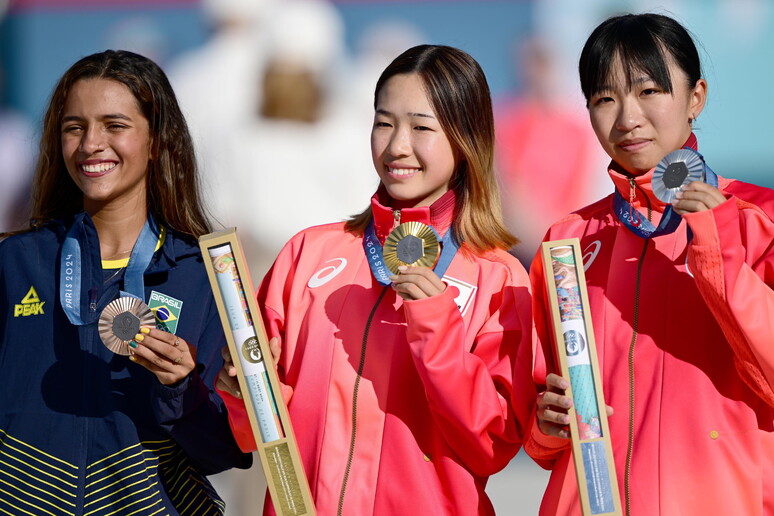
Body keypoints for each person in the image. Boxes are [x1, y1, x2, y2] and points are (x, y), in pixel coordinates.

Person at [217, 44, 535, 515]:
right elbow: (251, 433)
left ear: (466, 137)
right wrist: (240, 391)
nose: (396, 146)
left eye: (422, 127)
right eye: (384, 123)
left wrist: (435, 327)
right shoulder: (310, 254)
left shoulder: (499, 278)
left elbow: (492, 442)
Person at [528, 13, 774, 515]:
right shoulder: (569, 241)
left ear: (695, 98)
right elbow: (538, 428)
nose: (627, 117)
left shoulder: (759, 220)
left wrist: (716, 251)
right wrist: (545, 424)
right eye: (604, 98)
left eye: (648, 91)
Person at [0, 50, 251, 515]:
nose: (92, 143)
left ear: (157, 141)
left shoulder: (206, 274)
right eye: (74, 127)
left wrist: (181, 387)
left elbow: (225, 453)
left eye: (115, 125)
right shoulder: (15, 261)